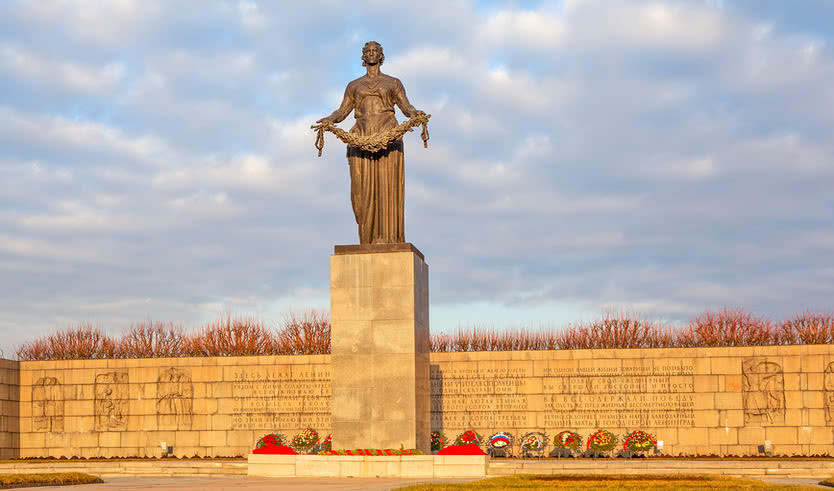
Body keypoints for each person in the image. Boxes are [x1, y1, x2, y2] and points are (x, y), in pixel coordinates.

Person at [317, 41, 425, 244]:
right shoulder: (354, 85)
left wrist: (415, 113)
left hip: (387, 134)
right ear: (363, 57)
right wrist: (329, 120)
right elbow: (342, 111)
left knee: (388, 186)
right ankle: (366, 239)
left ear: (381, 56)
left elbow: (405, 106)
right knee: (361, 189)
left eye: (376, 51)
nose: (372, 54)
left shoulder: (393, 82)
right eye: (368, 51)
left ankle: (390, 238)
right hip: (361, 135)